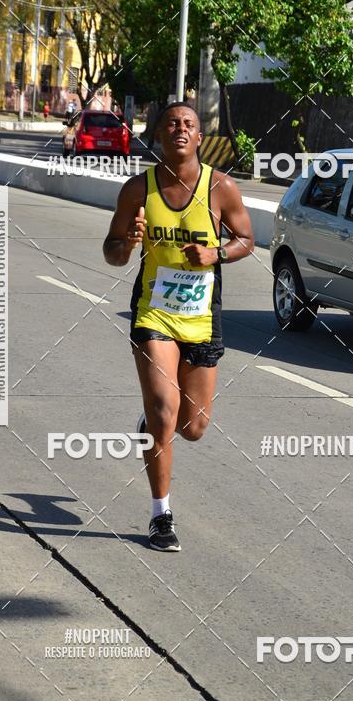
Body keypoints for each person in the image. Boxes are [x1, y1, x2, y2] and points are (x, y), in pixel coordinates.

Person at [103, 103, 254, 552]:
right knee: (165, 411)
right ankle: (160, 514)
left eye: (189, 124)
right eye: (172, 123)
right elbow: (111, 252)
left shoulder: (220, 188)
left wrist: (216, 254)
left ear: (199, 135)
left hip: (202, 318)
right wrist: (127, 242)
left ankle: (153, 420)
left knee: (193, 427)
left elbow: (247, 239)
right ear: (160, 133)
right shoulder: (137, 190)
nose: (181, 130)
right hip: (153, 314)